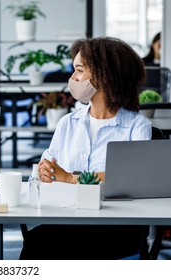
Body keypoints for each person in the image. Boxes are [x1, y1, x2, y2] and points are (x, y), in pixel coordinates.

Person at [20, 37, 152, 260]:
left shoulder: (137, 126)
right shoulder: (67, 123)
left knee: (41, 245)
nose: (73, 78)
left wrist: (71, 178)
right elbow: (49, 170)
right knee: (37, 241)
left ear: (104, 75)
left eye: (79, 70)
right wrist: (45, 171)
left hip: (116, 227)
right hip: (69, 220)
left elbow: (133, 181)